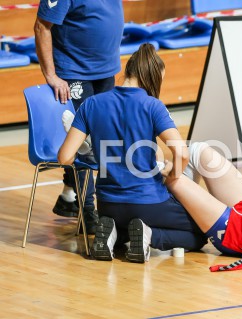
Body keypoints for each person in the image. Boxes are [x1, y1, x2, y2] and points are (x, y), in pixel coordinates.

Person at [58, 44, 206, 263]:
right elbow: (182, 154)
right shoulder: (153, 106)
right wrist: (172, 178)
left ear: (127, 71)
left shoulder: (91, 104)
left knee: (124, 222)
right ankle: (149, 234)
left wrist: (92, 153)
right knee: (200, 233)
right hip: (148, 202)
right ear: (152, 77)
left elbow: (65, 157)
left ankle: (114, 233)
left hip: (108, 204)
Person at [34, 0, 125, 228]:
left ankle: (69, 198)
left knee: (105, 139)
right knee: (84, 143)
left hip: (106, 72)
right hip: (74, 72)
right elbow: (41, 26)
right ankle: (88, 212)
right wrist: (51, 76)